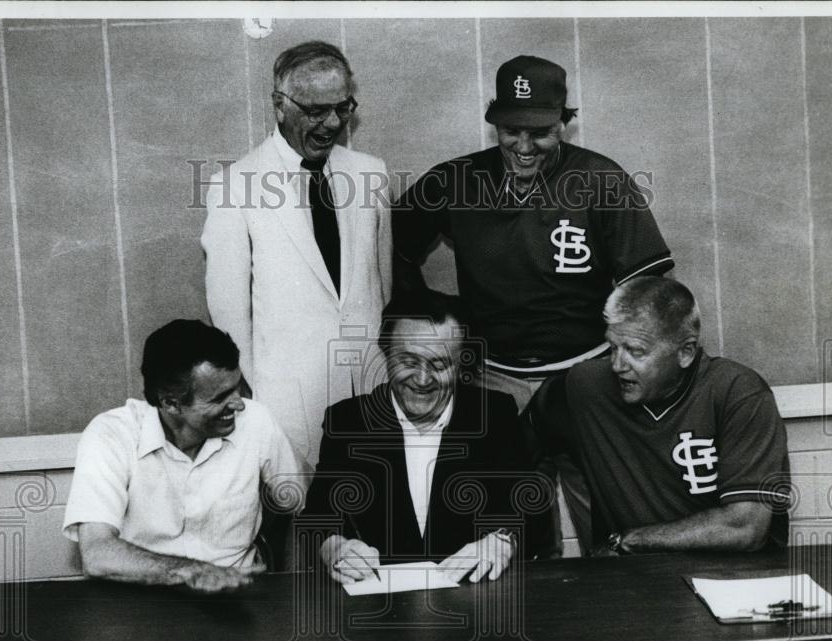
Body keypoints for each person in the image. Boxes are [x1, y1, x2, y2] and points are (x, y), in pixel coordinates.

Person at [392, 54, 674, 407]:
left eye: (539, 133)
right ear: (496, 126)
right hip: (488, 376)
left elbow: (650, 288)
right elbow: (390, 244)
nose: (524, 148)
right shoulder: (454, 181)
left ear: (562, 124)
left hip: (585, 372)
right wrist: (431, 320)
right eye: (511, 132)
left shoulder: (603, 181)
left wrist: (625, 365)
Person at [202, 40, 391, 466]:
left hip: (369, 395)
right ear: (279, 105)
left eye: (343, 108)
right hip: (286, 412)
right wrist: (258, 407)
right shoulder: (235, 185)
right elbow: (229, 315)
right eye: (314, 110)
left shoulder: (371, 173)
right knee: (303, 528)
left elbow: (383, 287)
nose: (331, 123)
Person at [302, 290, 552, 584]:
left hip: (476, 600)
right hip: (379, 609)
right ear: (386, 354)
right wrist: (335, 548)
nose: (422, 380)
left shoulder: (494, 415)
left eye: (440, 365)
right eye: (408, 362)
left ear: (462, 365)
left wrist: (501, 542)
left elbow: (531, 512)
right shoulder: (347, 422)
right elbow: (318, 517)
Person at [527, 277, 791, 554]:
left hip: (734, 581)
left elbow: (745, 529)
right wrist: (513, 540)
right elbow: (516, 451)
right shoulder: (584, 385)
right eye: (613, 347)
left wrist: (630, 541)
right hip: (636, 581)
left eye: (635, 351)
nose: (617, 365)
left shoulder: (740, 393)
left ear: (686, 352)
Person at [62, 320, 306, 592]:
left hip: (238, 600)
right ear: (170, 402)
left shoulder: (257, 421)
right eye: (220, 397)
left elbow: (311, 510)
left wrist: (290, 583)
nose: (238, 404)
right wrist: (192, 572)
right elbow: (97, 554)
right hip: (139, 601)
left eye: (238, 387)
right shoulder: (111, 435)